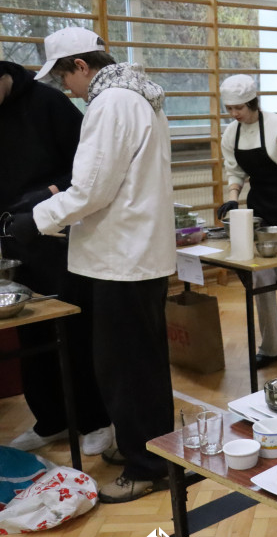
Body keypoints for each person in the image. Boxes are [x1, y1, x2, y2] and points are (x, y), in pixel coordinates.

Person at [1, 27, 176, 503]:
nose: (66, 91)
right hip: (133, 255)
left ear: (80, 65)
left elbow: (90, 189)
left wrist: (33, 219)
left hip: (122, 259)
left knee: (126, 368)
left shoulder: (111, 102)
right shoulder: (137, 94)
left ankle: (146, 467)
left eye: (65, 79)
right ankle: (150, 448)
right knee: (139, 363)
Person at [0, 60, 113, 457]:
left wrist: (45, 195)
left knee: (74, 330)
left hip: (58, 235)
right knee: (31, 332)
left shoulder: (48, 103)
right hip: (13, 240)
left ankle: (95, 419)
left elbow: (86, 174)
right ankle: (50, 419)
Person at [217, 74, 277, 369]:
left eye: (239, 109)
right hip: (259, 205)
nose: (234, 115)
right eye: (229, 109)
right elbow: (235, 172)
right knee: (261, 277)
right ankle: (270, 345)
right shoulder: (230, 134)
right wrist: (234, 196)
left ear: (252, 103)